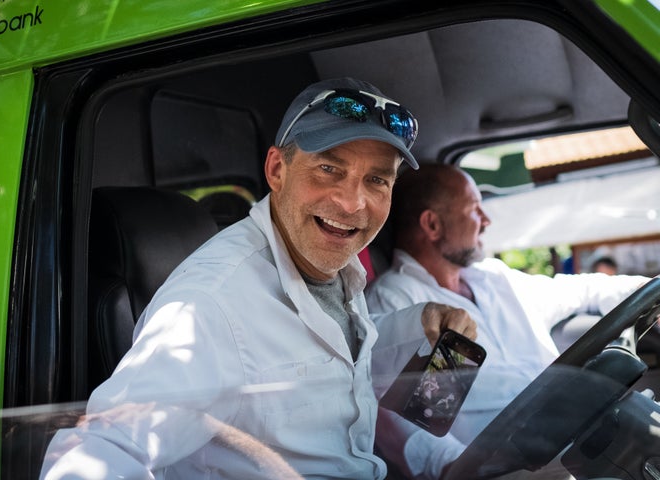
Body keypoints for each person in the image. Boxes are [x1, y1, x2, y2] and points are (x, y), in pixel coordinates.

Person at [40, 78, 476, 479]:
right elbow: (97, 453)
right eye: (329, 168)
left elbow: (333, 370)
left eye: (377, 179)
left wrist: (420, 323)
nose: (352, 202)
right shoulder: (207, 306)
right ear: (276, 171)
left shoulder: (332, 267)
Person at [366, 163, 649, 479]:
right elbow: (386, 416)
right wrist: (455, 467)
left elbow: (580, 289)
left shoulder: (494, 278)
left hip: (582, 423)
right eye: (475, 209)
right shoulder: (394, 304)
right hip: (518, 465)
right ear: (432, 225)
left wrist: (641, 290)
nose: (486, 221)